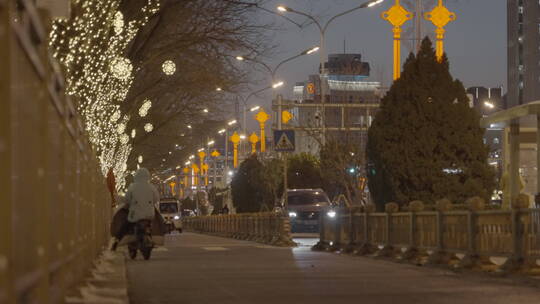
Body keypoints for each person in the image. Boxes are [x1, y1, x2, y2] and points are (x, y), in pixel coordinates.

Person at [111, 168, 159, 251]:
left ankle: (117, 241)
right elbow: (156, 198)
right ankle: (151, 238)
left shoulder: (133, 187)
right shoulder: (151, 187)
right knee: (150, 225)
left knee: (126, 225)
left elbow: (127, 199)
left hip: (135, 214)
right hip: (149, 214)